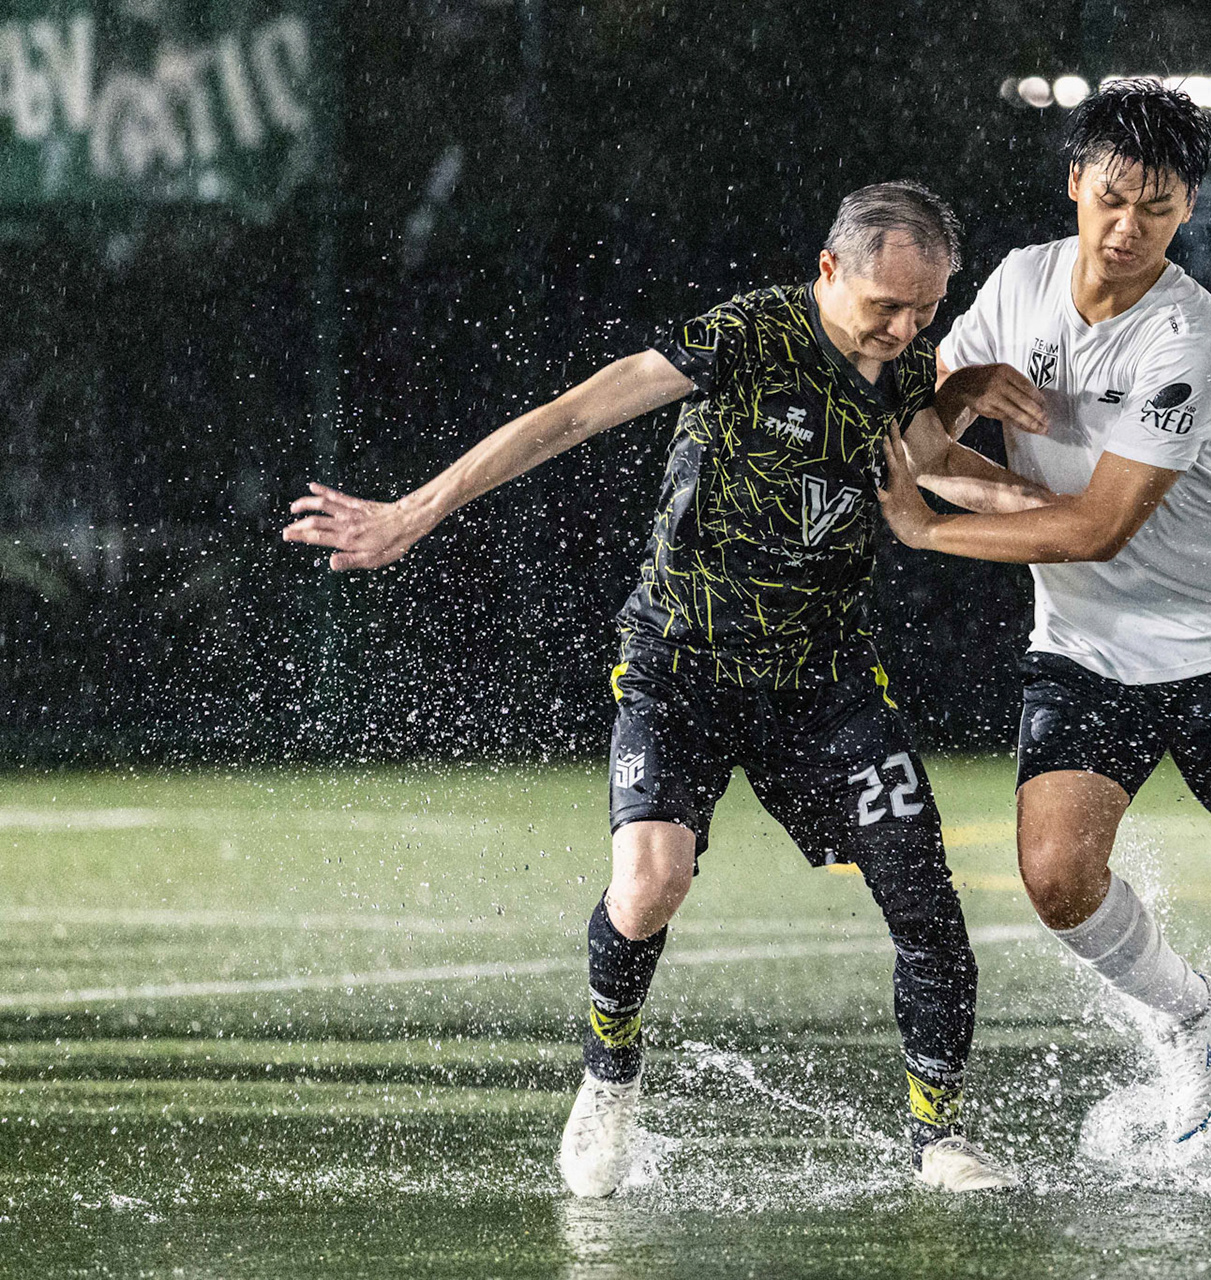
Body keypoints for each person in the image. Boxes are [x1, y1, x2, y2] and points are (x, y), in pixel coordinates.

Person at [282, 181, 1038, 1195]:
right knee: (649, 886)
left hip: (825, 679)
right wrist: (420, 509)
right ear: (829, 271)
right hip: (683, 660)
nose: (904, 331)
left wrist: (1089, 518)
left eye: (925, 312)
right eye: (886, 307)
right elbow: (573, 414)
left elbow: (933, 463)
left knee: (924, 896)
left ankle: (939, 1134)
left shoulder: (898, 368)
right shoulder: (744, 335)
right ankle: (609, 1072)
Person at [878, 82, 1211, 1175]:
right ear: (1074, 184)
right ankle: (1200, 1020)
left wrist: (929, 531)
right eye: (1110, 197)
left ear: (1186, 207)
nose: (1125, 225)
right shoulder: (1017, 282)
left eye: (1154, 205)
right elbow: (918, 432)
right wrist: (964, 397)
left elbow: (1098, 523)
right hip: (1090, 646)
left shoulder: (1190, 336)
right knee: (1056, 876)